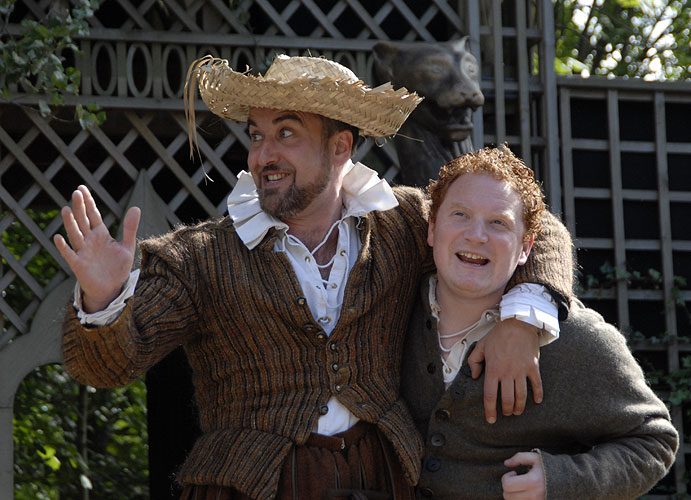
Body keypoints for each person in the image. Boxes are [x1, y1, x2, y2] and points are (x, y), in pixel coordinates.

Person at [54, 55, 574, 500]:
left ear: (340, 148)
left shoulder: (402, 223)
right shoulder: (200, 257)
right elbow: (105, 366)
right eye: (257, 136)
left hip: (385, 479)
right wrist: (103, 299)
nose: (263, 155)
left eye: (286, 133)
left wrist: (522, 318)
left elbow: (537, 226)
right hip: (246, 485)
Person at [400, 146, 679, 500]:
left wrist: (562, 480)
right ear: (431, 230)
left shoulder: (574, 338)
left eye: (498, 222)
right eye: (460, 214)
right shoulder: (394, 309)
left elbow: (654, 441)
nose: (476, 235)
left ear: (525, 248)